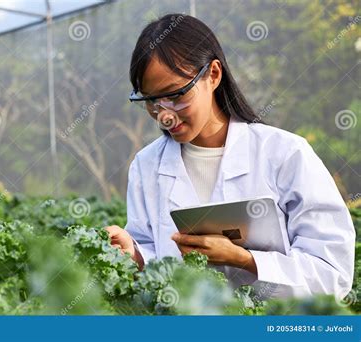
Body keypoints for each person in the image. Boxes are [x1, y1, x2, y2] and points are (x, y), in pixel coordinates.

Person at [105, 14, 354, 299]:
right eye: (150, 101)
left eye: (175, 95)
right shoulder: (147, 166)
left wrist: (245, 260)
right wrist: (135, 255)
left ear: (213, 74)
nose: (164, 115)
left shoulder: (285, 154)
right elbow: (152, 254)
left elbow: (333, 272)